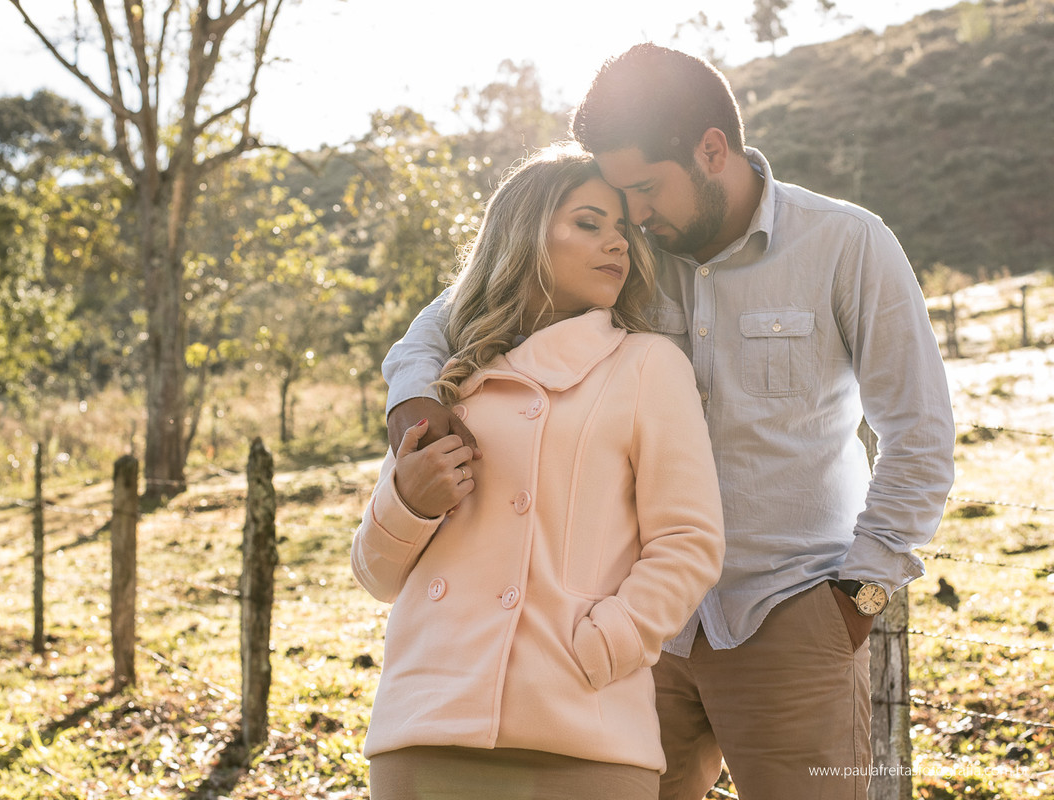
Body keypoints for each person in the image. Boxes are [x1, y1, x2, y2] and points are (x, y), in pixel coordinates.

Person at [382, 45, 956, 800]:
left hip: (792, 617)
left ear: (711, 150)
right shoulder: (623, 252)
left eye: (647, 189)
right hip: (634, 636)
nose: (635, 216)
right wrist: (413, 396)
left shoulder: (847, 244)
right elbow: (447, 314)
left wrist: (859, 602)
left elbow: (920, 433)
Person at [352, 146, 726, 800]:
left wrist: (600, 649)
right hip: (425, 728)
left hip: (581, 731)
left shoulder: (645, 365)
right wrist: (409, 501)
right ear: (524, 235)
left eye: (623, 230)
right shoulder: (445, 382)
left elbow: (689, 543)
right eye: (589, 223)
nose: (617, 243)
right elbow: (377, 574)